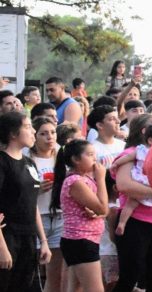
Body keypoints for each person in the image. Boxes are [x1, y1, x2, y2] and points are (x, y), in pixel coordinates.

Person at [110, 114, 152, 292]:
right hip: (136, 221)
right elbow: (124, 185)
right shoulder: (131, 153)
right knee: (131, 275)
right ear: (146, 132)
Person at [0, 111, 52, 290]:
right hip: (8, 236)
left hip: (28, 237)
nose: (33, 131)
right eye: (28, 127)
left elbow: (32, 203)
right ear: (13, 133)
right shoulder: (2, 162)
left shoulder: (29, 163)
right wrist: (2, 248)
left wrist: (43, 241)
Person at [49, 139, 108, 292]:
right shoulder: (75, 181)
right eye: (89, 155)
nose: (95, 159)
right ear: (75, 159)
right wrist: (101, 179)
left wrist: (97, 213)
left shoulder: (85, 179)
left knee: (76, 288)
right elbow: (103, 208)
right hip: (81, 240)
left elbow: (101, 211)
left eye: (95, 154)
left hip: (83, 240)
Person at [111, 122, 152, 236]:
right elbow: (127, 158)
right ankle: (122, 223)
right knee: (131, 203)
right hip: (142, 181)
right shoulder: (140, 150)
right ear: (150, 140)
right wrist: (116, 163)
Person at [28, 117, 64, 292]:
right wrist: (37, 188)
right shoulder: (27, 157)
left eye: (52, 132)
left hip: (59, 216)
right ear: (34, 136)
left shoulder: (61, 154)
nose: (49, 137)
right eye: (43, 133)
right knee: (32, 272)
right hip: (36, 217)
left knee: (55, 273)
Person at [88, 105, 125, 169]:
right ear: (100, 125)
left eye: (117, 118)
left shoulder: (123, 145)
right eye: (112, 119)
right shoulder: (92, 149)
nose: (118, 121)